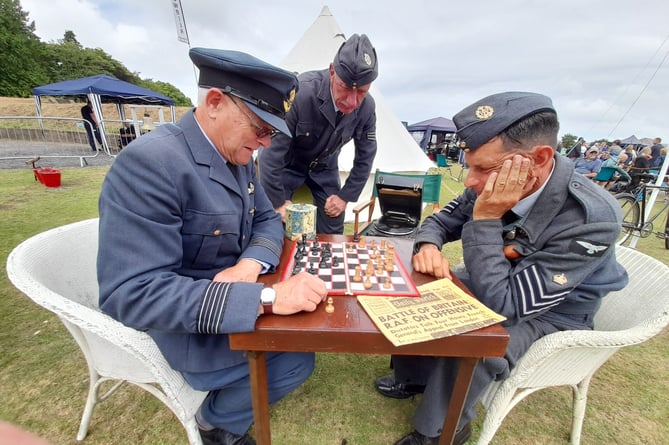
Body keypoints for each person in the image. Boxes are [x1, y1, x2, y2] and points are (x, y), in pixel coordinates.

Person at [97, 48, 328, 445]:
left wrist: (250, 266)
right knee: (296, 360)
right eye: (259, 128)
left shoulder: (235, 157)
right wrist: (268, 297)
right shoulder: (151, 163)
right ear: (216, 102)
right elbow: (130, 294)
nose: (264, 145)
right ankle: (216, 425)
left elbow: (267, 219)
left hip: (224, 299)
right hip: (180, 327)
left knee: (299, 341)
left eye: (271, 134)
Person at [373, 91, 628, 445]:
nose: (469, 181)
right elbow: (441, 220)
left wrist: (487, 219)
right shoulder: (501, 175)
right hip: (499, 282)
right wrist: (428, 245)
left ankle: (441, 431)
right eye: (469, 165)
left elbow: (506, 307)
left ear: (537, 159)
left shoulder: (591, 217)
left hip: (553, 312)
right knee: (423, 287)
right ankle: (415, 376)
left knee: (480, 336)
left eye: (482, 168)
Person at [257, 33, 379, 234]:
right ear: (332, 71)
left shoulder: (367, 108)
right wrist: (277, 202)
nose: (352, 101)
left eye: (362, 92)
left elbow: (366, 156)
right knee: (276, 226)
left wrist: (345, 196)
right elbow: (271, 152)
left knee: (333, 226)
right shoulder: (301, 92)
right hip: (288, 164)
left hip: (325, 167)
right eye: (345, 88)